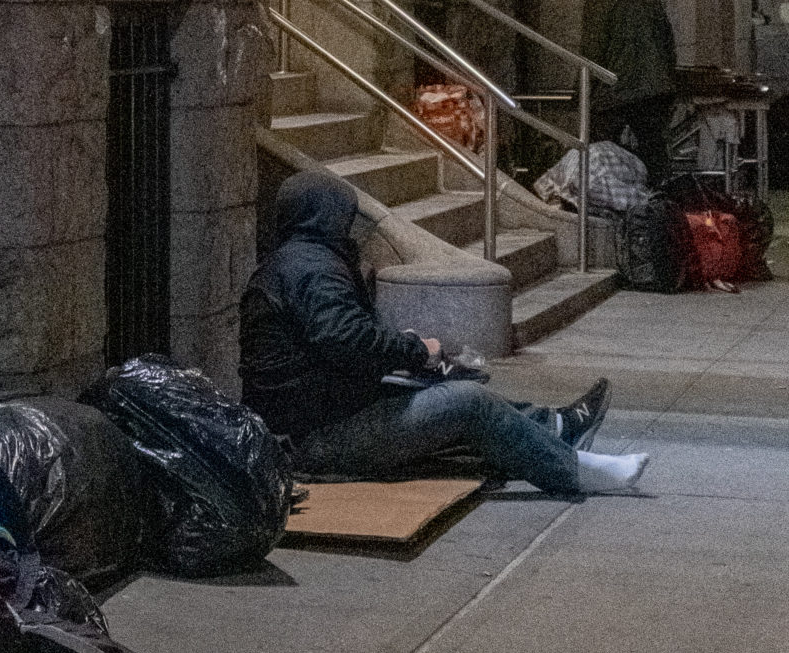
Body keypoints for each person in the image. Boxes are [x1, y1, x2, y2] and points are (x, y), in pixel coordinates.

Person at [240, 172, 649, 497]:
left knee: (455, 388)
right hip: (318, 442)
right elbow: (347, 339)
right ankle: (575, 472)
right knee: (467, 403)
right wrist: (416, 350)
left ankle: (558, 428)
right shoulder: (311, 269)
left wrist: (409, 357)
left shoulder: (298, 261)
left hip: (322, 421)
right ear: (328, 216)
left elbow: (340, 346)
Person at [579, 0, 679, 184]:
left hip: (619, 89)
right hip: (656, 88)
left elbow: (593, 49)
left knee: (599, 147)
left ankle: (605, 197)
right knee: (654, 147)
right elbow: (667, 40)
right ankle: (658, 200)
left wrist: (583, 89)